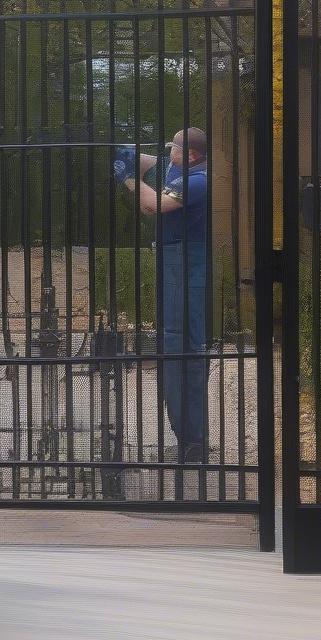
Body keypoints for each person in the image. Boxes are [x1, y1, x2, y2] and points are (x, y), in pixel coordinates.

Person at [114, 129, 209, 465]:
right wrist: (135, 170)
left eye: (175, 148)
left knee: (184, 345)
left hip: (186, 260)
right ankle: (187, 439)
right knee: (172, 345)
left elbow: (152, 205)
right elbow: (147, 201)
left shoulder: (198, 180)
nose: (170, 152)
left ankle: (194, 442)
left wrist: (128, 176)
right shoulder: (178, 172)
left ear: (192, 154)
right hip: (172, 257)